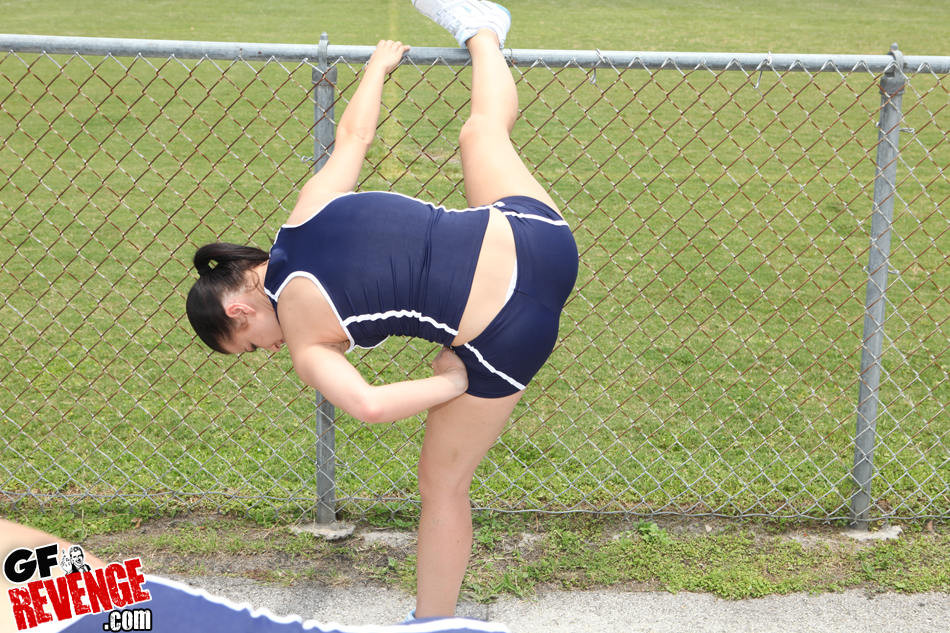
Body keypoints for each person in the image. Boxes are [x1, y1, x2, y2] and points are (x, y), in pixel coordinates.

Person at [185, 0, 578, 618]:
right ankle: (481, 30)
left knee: (442, 484)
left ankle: (432, 623)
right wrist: (376, 66)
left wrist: (447, 381)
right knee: (482, 133)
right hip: (542, 239)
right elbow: (354, 137)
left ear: (238, 308)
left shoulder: (309, 344)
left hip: (510, 332)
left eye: (255, 344)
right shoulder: (305, 212)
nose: (272, 348)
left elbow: (369, 405)